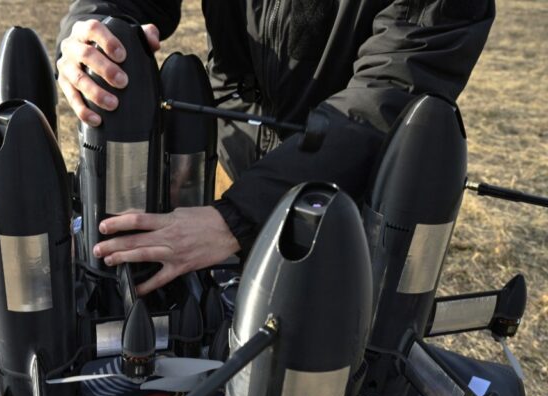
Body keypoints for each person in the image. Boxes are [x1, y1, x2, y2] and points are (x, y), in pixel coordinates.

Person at [56, 0, 495, 294]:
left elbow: (389, 94)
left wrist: (240, 217)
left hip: (357, 199)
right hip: (232, 160)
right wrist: (93, 28)